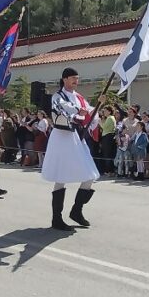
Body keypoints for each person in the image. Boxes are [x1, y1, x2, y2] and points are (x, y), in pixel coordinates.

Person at [41, 67, 102, 231]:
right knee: (61, 176)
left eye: (77, 78)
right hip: (63, 136)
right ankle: (56, 218)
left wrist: (97, 106)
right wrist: (78, 111)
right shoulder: (57, 96)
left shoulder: (80, 97)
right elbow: (63, 107)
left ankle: (76, 210)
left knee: (90, 174)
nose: (76, 81)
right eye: (73, 78)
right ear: (65, 79)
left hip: (76, 137)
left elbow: (89, 111)